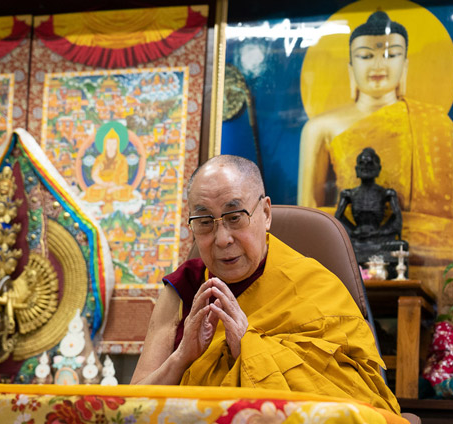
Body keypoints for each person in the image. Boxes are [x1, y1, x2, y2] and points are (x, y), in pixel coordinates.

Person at [131, 155, 400, 414]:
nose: (222, 238)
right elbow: (131, 406)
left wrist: (247, 347)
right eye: (204, 223)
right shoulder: (183, 290)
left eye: (235, 217)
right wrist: (181, 358)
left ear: (266, 213)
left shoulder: (314, 286)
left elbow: (362, 401)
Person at [298, 11, 453, 287]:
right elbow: (308, 213)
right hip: (351, 245)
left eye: (391, 54)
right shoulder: (320, 127)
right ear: (351, 67)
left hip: (430, 247)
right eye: (366, 56)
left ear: (405, 65)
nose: (379, 64)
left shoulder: (435, 122)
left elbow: (449, 223)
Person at [83, 123, 133, 204]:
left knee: (125, 191)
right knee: (91, 191)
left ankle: (110, 192)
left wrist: (113, 184)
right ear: (104, 145)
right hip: (102, 185)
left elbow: (123, 176)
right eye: (108, 143)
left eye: (114, 144)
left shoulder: (122, 159)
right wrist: (102, 183)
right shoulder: (99, 159)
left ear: (117, 145)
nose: (111, 146)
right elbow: (95, 175)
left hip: (116, 186)